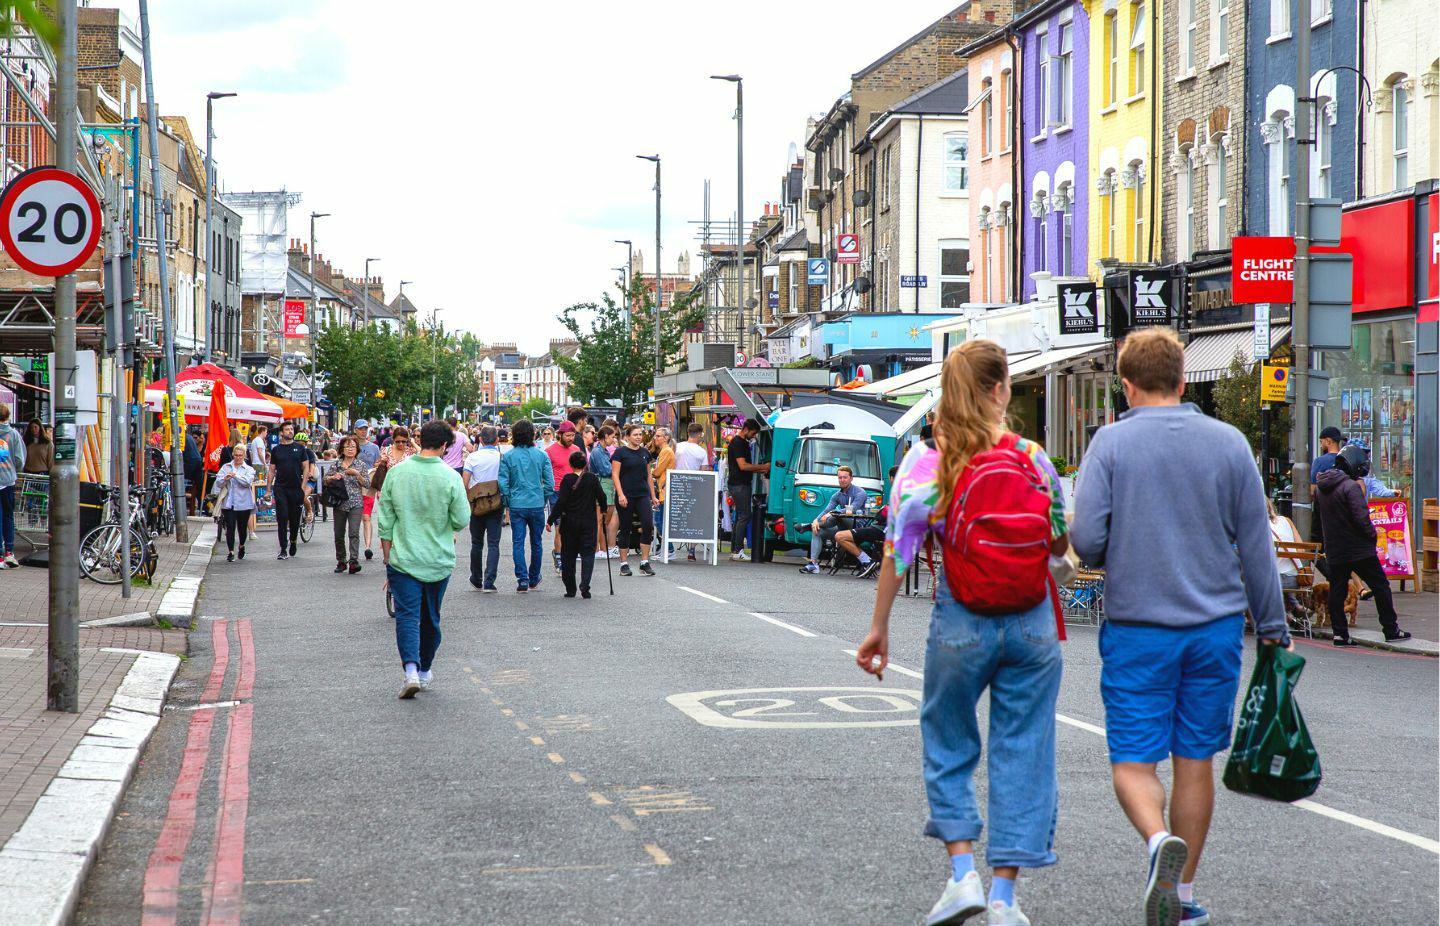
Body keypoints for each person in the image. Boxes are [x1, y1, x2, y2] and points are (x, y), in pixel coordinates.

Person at [1071, 326, 1289, 926]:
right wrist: (1273, 627)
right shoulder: (1229, 444)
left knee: (1135, 762)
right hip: (1214, 629)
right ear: (1184, 378)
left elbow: (1086, 542)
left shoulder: (1110, 446)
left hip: (1139, 628)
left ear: (1126, 384)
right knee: (1196, 760)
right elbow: (1256, 548)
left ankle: (1154, 841)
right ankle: (1184, 893)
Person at [856, 339, 1069, 926]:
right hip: (1032, 623)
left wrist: (879, 629)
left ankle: (962, 874)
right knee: (1023, 749)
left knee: (948, 738)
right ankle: (1004, 896)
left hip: (962, 616)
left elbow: (897, 552)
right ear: (1001, 389)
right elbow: (1058, 545)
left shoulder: (929, 463)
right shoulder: (1032, 457)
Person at [377, 420, 469, 699]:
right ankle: (426, 669)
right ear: (444, 445)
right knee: (431, 618)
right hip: (438, 559)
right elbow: (461, 518)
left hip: (403, 558)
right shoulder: (451, 477)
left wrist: (387, 556)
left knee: (406, 616)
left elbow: (385, 521)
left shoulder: (397, 473)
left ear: (419, 439)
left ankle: (411, 670)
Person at [1315, 444, 1410, 645]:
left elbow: (1318, 519)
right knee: (1381, 586)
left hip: (1335, 548)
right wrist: (1372, 536)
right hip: (1358, 549)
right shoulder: (1351, 487)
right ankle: (1390, 629)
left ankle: (1340, 634)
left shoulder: (1322, 489)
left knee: (1337, 588)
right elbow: (1362, 518)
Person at [498, 420, 553, 593]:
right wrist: (543, 498)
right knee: (536, 542)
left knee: (518, 542)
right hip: (536, 502)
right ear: (533, 435)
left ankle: (522, 578)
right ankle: (534, 577)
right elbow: (550, 484)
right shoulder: (542, 455)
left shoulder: (508, 457)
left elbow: (503, 483)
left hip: (517, 503)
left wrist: (508, 501)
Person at [547, 449, 606, 598]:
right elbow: (602, 497)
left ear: (570, 464)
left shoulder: (567, 479)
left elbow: (561, 502)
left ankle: (570, 588)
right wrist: (604, 510)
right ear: (586, 463)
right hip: (588, 522)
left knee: (569, 556)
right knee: (587, 555)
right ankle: (585, 585)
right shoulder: (592, 478)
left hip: (570, 522)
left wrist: (551, 519)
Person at [799, 465, 870, 574]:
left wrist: (832, 513)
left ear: (851, 478)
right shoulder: (837, 495)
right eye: (840, 477)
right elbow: (826, 510)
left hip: (858, 526)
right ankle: (813, 564)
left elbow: (853, 508)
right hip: (842, 530)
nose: (842, 480)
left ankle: (807, 525)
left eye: (845, 477)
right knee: (817, 530)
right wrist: (815, 521)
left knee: (835, 517)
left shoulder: (860, 492)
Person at [611, 423, 657, 576]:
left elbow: (649, 476)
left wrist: (653, 496)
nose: (638, 437)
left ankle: (644, 562)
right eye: (635, 434)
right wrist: (620, 494)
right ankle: (624, 563)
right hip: (626, 495)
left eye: (640, 434)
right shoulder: (620, 452)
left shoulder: (645, 453)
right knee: (625, 528)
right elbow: (615, 475)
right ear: (627, 436)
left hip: (642, 494)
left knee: (647, 524)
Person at [462, 425, 504, 592]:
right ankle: (489, 580)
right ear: (496, 440)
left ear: (480, 440)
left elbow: (464, 483)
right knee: (494, 543)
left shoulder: (472, 458)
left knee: (476, 543)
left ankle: (476, 577)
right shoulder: (502, 457)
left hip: (477, 505)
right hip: (495, 503)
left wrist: (468, 501)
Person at [326, 435, 371, 574]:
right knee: (339, 533)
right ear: (342, 449)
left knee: (353, 532)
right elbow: (325, 480)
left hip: (356, 502)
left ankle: (353, 561)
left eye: (353, 447)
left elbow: (368, 484)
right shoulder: (336, 464)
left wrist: (357, 475)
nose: (350, 449)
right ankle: (341, 560)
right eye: (347, 446)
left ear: (357, 449)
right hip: (339, 502)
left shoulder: (361, 465)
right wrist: (333, 477)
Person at [726, 419, 770, 562]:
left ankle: (734, 550)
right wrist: (763, 467)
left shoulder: (740, 442)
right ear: (746, 429)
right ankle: (737, 550)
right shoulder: (738, 443)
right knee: (745, 516)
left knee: (740, 517)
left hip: (738, 483)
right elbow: (743, 466)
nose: (754, 436)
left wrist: (759, 469)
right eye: (753, 433)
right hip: (739, 485)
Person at [267, 422, 311, 560]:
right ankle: (283, 548)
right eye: (287, 429)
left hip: (296, 488)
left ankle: (293, 540)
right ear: (281, 432)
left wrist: (303, 487)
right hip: (280, 487)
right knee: (282, 517)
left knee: (294, 518)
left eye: (291, 429)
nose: (290, 431)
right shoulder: (276, 450)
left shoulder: (300, 448)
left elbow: (306, 467)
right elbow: (272, 470)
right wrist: (268, 489)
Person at [545, 422, 580, 571]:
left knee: (572, 527)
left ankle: (567, 554)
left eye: (573, 435)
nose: (571, 438)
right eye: (568, 435)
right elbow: (545, 473)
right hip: (557, 492)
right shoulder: (549, 451)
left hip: (574, 491)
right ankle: (559, 557)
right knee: (560, 526)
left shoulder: (576, 449)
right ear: (560, 434)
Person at [672, 423, 710, 560]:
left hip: (676, 486)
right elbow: (704, 472)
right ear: (699, 434)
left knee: (675, 517)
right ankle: (692, 550)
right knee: (694, 519)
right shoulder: (702, 451)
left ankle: (669, 547)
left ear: (688, 432)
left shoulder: (677, 447)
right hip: (694, 488)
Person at [1266, 497, 1307, 623]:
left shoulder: (1255, 526)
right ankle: (1295, 606)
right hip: (1295, 580)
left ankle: (1283, 614)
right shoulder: (1287, 520)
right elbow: (1301, 550)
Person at [214, 443, 256, 563]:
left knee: (242, 529)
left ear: (244, 456)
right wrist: (225, 479)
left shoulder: (249, 469)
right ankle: (231, 552)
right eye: (236, 455)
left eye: (240, 456)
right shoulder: (226, 467)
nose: (238, 458)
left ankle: (241, 545)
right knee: (230, 527)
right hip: (229, 503)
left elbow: (247, 482)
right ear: (233, 455)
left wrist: (235, 476)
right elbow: (218, 483)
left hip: (244, 503)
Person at [589, 424, 619, 558]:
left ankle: (603, 549)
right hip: (602, 485)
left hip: (606, 485)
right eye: (612, 436)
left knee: (603, 520)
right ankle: (596, 550)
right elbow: (606, 470)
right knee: (600, 520)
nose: (613, 439)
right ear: (605, 436)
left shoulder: (603, 450)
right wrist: (618, 469)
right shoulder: (598, 451)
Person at [0, 405, 24, 568]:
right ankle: (9, 551)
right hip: (8, 480)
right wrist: (13, 469)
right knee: (8, 516)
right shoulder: (14, 435)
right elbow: (19, 459)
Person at [650, 427, 676, 547]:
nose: (655, 438)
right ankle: (667, 549)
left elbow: (657, 472)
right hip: (662, 490)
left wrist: (649, 471)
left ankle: (669, 549)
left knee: (659, 521)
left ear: (666, 438)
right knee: (659, 521)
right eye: (656, 435)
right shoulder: (665, 451)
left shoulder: (666, 451)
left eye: (658, 436)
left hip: (664, 491)